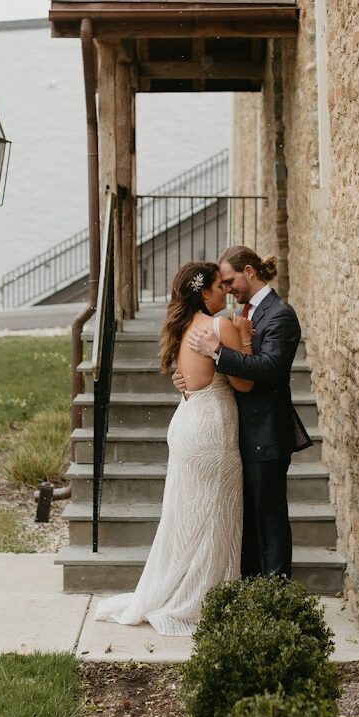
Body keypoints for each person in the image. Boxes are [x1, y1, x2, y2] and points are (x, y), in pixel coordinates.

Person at [95, 261, 255, 636]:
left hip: (187, 421)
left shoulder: (182, 328)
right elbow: (245, 384)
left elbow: (189, 378)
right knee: (215, 519)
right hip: (212, 427)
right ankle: (199, 601)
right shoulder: (222, 326)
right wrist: (246, 337)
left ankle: (179, 593)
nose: (225, 292)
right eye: (219, 286)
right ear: (203, 292)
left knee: (187, 518)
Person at [175, 246, 312, 579]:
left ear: (250, 272)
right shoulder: (245, 313)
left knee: (270, 519)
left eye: (231, 280)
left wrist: (218, 353)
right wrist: (191, 378)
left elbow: (269, 368)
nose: (227, 288)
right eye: (221, 283)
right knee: (246, 521)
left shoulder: (280, 314)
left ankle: (276, 593)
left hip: (266, 433)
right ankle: (250, 588)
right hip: (236, 432)